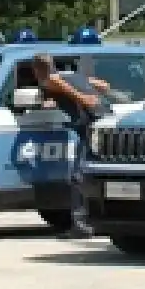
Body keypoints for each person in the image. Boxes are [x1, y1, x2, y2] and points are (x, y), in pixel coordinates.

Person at [29, 53, 109, 239]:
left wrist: (82, 98)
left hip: (91, 123)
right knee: (97, 172)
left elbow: (60, 85)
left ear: (36, 69)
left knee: (77, 176)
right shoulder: (73, 75)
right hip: (105, 120)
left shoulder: (50, 80)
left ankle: (80, 225)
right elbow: (105, 86)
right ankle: (100, 221)